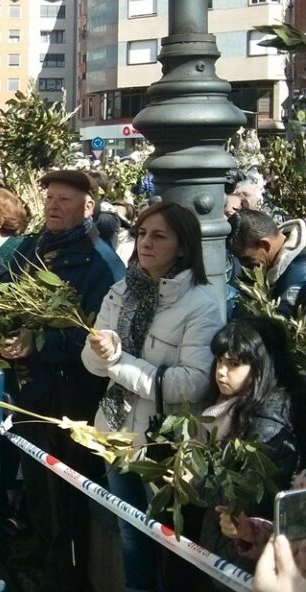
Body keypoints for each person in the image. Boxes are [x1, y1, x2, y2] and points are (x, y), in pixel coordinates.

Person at [82, 201, 222, 592]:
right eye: (142, 233)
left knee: (175, 545)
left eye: (158, 236)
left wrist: (118, 360)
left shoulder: (201, 305)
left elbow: (191, 383)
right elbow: (92, 362)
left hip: (166, 445)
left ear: (183, 246)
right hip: (114, 433)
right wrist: (100, 352)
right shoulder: (121, 289)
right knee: (131, 534)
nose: (145, 242)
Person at [2, 169, 125, 592]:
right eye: (50, 198)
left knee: (66, 489)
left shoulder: (102, 261)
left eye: (64, 200)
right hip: (31, 389)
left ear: (88, 206)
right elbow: (8, 295)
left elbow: (97, 334)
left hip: (71, 395)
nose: (53, 206)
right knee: (37, 480)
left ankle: (61, 575)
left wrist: (40, 342)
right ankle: (40, 552)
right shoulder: (35, 246)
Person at [200, 319, 300, 576]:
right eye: (220, 361)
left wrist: (196, 480)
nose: (221, 371)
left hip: (243, 558)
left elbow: (244, 496)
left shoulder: (267, 425)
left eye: (233, 364)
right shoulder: (230, 408)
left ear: (259, 368)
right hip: (226, 547)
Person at [230, 210, 306, 318]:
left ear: (264, 245)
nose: (243, 265)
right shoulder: (270, 266)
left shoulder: (300, 274)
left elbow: (283, 325)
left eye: (246, 258)